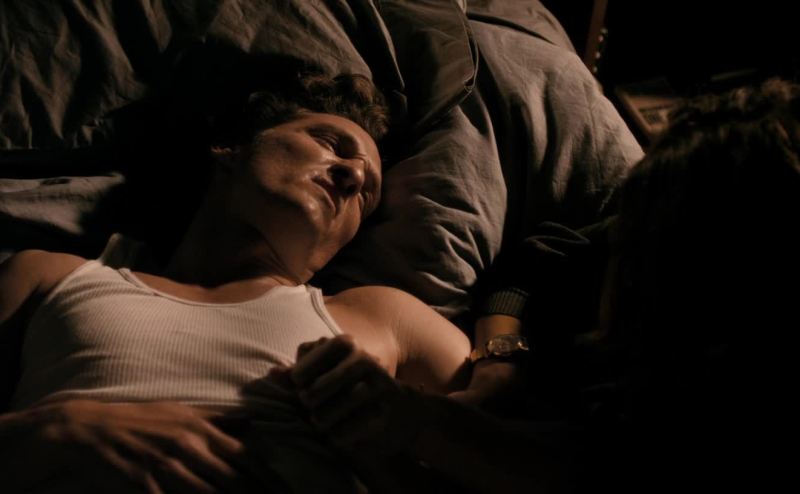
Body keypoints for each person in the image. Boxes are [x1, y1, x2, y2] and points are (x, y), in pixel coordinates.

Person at [286, 78, 800, 492]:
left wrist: (416, 425)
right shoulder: (651, 226)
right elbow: (531, 267)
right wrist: (499, 361)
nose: (352, 175)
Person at [0, 72, 474, 493]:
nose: (352, 175)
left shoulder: (380, 317)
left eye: (366, 196)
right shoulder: (49, 277)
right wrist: (51, 430)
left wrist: (412, 428)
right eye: (330, 143)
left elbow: (513, 460)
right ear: (231, 146)